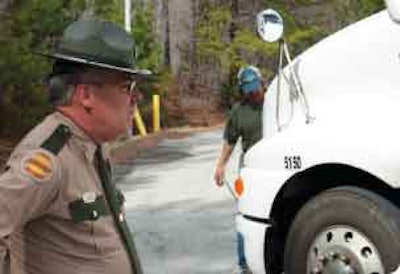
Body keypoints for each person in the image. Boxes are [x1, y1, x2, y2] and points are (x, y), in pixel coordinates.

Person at [0, 17, 150, 274]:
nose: (137, 97)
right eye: (127, 86)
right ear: (86, 95)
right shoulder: (49, 160)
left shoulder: (92, 145)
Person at [214, 66, 265, 274]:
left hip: (274, 167)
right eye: (249, 90)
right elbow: (230, 140)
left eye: (256, 88)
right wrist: (220, 165)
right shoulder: (239, 111)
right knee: (246, 216)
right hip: (250, 169)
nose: (253, 93)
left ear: (262, 83)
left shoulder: (276, 103)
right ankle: (245, 265)